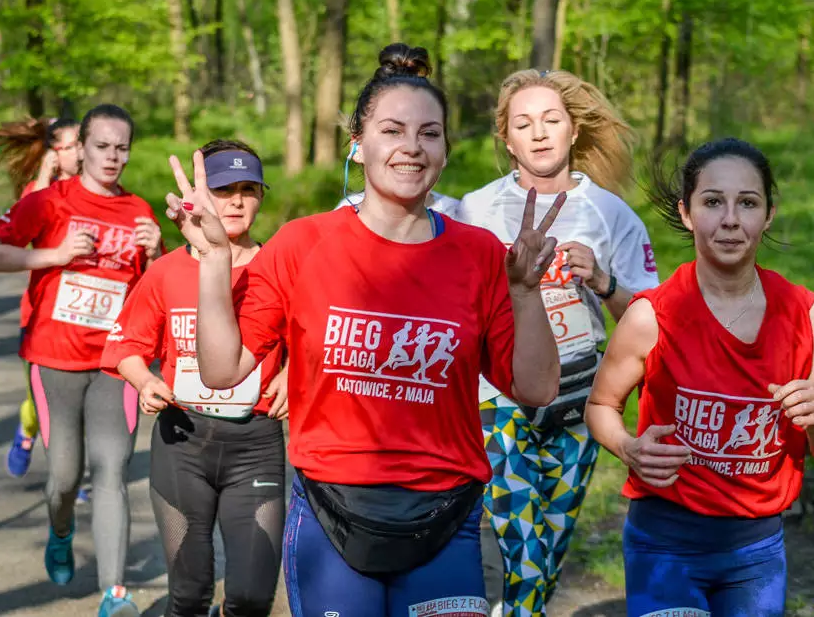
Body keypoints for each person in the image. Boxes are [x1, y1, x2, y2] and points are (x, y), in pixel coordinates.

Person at [165, 43, 563, 617]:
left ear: (446, 152)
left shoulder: (478, 254)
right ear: (359, 142)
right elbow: (223, 369)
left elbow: (537, 388)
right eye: (392, 130)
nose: (411, 147)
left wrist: (526, 293)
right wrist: (213, 260)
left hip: (445, 517)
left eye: (430, 134)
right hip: (332, 514)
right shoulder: (303, 244)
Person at [584, 138, 814, 616]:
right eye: (713, 202)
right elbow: (601, 406)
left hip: (756, 549)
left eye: (747, 203)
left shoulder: (803, 314)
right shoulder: (653, 315)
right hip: (664, 541)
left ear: (768, 214)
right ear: (687, 213)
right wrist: (628, 447)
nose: (730, 219)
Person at [458, 69, 659, 617]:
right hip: (499, 398)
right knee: (522, 548)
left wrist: (603, 283)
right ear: (507, 139)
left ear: (573, 130)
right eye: (524, 124)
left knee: (551, 542)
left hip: (580, 400)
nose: (539, 133)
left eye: (552, 120)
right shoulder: (474, 210)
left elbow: (651, 322)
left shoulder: (611, 214)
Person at [0, 104, 162, 617]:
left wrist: (154, 254)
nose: (112, 156)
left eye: (121, 147)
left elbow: (152, 294)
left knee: (111, 469)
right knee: (64, 477)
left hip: (114, 362)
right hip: (54, 358)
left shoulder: (139, 213)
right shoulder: (50, 201)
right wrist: (54, 256)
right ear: (80, 147)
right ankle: (59, 532)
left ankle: (114, 593)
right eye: (102, 146)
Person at [104, 139, 288, 617]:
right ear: (200, 200)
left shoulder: (281, 268)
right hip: (182, 442)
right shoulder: (166, 272)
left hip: (256, 446)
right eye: (224, 190)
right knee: (188, 594)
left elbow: (317, 341)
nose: (237, 201)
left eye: (249, 189)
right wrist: (144, 382)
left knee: (250, 596)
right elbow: (125, 346)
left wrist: (292, 373)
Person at [0, 116, 83, 478]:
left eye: (81, 144)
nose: (79, 153)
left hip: (88, 321)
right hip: (42, 315)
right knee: (40, 402)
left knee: (82, 407)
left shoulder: (99, 192)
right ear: (53, 154)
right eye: (70, 146)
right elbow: (21, 229)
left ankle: (77, 475)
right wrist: (45, 176)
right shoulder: (38, 192)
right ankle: (27, 430)